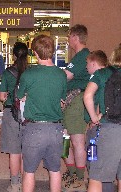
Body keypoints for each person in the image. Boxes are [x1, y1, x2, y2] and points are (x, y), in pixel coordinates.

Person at [17, 35, 67, 192]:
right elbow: (62, 101)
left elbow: (19, 96)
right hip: (55, 129)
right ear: (53, 51)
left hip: (34, 129)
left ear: (35, 53)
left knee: (29, 171)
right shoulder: (61, 75)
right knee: (55, 170)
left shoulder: (29, 74)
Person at [84, 44, 121, 192]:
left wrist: (94, 117)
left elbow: (87, 96)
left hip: (110, 129)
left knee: (96, 176)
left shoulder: (103, 74)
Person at [62, 24, 90, 191]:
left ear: (75, 37)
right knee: (64, 139)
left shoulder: (82, 56)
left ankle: (79, 179)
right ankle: (72, 172)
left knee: (77, 141)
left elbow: (66, 76)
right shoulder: (78, 57)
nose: (67, 40)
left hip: (77, 101)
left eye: (69, 36)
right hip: (70, 102)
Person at [0, 42, 28, 192]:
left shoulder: (7, 73)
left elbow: (2, 97)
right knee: (25, 151)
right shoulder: (31, 72)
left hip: (11, 114)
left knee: (14, 151)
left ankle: (15, 183)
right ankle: (25, 183)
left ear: (14, 55)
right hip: (28, 116)